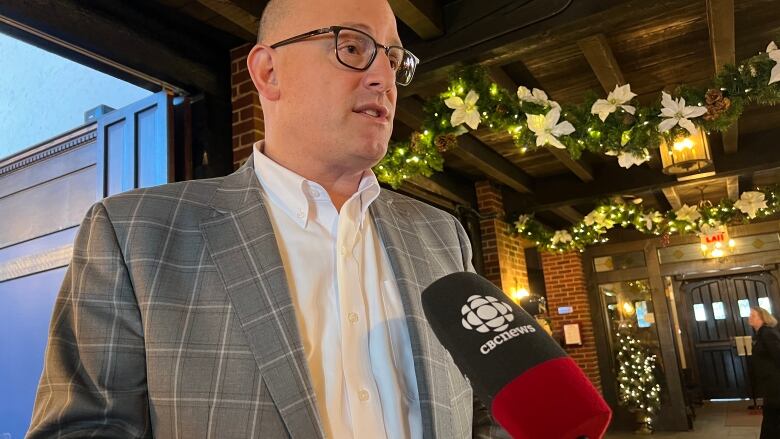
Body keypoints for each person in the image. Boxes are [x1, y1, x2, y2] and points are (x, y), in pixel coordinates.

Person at [26, 0, 508, 437]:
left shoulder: (442, 235)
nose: (383, 76)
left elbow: (487, 410)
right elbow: (81, 429)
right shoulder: (135, 235)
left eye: (394, 58)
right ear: (268, 71)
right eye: (354, 46)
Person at [749, 306, 780, 439]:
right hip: (769, 382)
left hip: (775, 382)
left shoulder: (768, 333)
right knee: (771, 415)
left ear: (762, 318)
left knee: (772, 415)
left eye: (753, 315)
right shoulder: (760, 334)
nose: (750, 317)